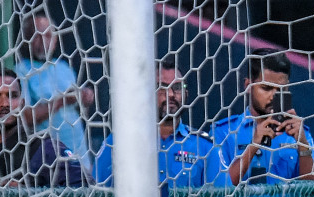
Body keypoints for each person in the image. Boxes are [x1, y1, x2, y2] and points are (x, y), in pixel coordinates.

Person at [93, 56, 224, 189]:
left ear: (186, 93)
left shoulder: (204, 147)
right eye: (162, 87)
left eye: (177, 87)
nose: (171, 94)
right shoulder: (119, 143)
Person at [0, 68, 86, 186]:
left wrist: (28, 195)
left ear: (22, 103)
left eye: (12, 96)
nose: (5, 103)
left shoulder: (44, 148)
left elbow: (86, 191)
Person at [213, 52, 314, 185]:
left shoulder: (301, 134)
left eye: (280, 89)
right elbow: (218, 189)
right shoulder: (223, 132)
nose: (273, 96)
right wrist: (253, 146)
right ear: (248, 85)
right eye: (266, 88)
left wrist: (303, 146)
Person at [15, 11, 95, 171]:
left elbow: (79, 111)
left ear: (56, 39)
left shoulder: (64, 68)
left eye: (48, 36)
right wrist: (61, 101)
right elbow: (25, 118)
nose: (43, 41)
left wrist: (85, 98)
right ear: (26, 39)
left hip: (79, 156)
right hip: (49, 162)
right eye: (37, 35)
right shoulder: (20, 71)